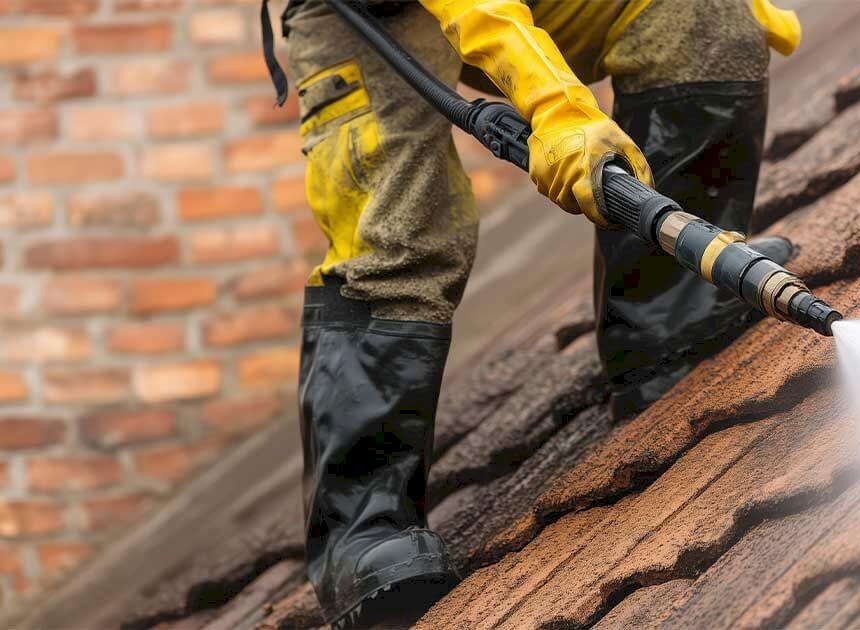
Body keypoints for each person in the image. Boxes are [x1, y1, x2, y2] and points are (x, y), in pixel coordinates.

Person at [262, 0, 800, 626]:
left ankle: (671, 323)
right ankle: (360, 535)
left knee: (699, 16)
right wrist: (560, 111)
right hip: (364, 11)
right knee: (401, 229)